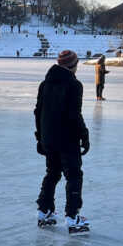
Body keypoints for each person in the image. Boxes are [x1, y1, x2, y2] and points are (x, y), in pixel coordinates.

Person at [34, 49, 90, 234]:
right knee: (74, 176)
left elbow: (38, 112)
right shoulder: (74, 85)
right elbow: (74, 114)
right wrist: (84, 134)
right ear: (73, 65)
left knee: (52, 173)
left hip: (49, 138)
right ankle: (73, 216)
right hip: (67, 138)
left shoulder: (45, 84)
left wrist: (40, 137)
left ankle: (45, 211)